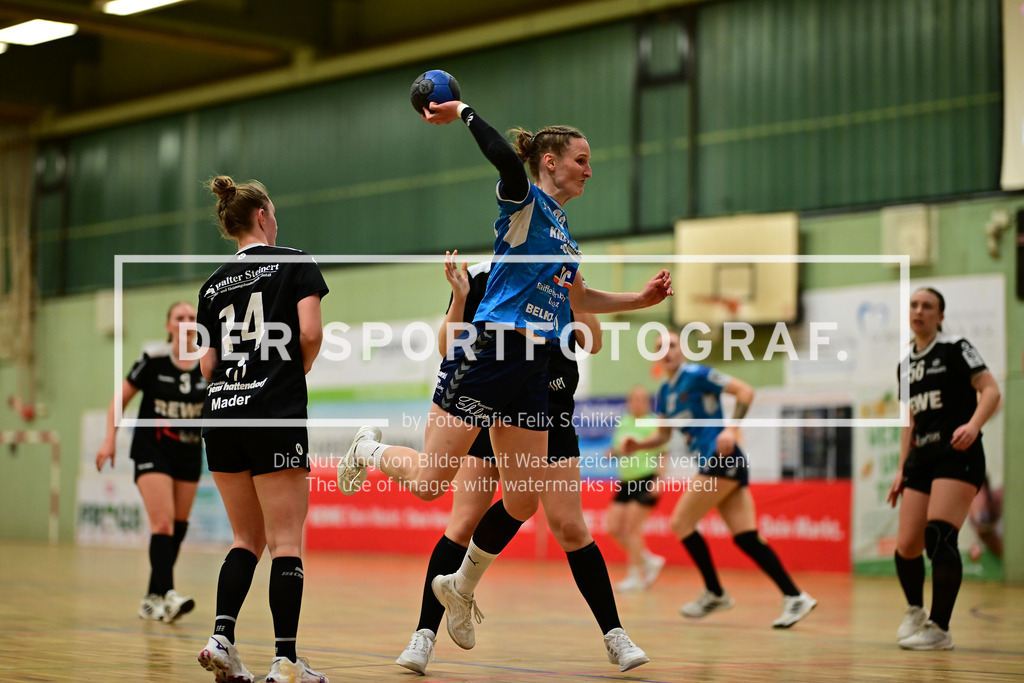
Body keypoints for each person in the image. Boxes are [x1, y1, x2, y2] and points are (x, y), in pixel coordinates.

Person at [338, 98, 672, 664]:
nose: (591, 170)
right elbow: (504, 162)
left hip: (535, 368)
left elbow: (580, 300)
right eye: (582, 160)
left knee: (521, 502)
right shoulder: (523, 203)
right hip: (491, 354)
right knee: (430, 484)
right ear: (550, 161)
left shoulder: (564, 233)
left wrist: (639, 299)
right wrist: (464, 110)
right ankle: (368, 448)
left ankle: (460, 587)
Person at [395, 253, 648, 675]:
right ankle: (423, 635)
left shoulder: (560, 268)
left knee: (569, 525)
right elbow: (447, 347)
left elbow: (593, 341)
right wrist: (458, 298)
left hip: (549, 408)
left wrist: (576, 289)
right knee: (462, 522)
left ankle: (614, 636)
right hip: (492, 404)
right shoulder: (481, 274)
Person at [195, 176, 330, 683]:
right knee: (286, 540)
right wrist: (292, 370)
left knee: (245, 537)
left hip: (224, 414)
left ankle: (222, 639)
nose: (276, 220)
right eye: (272, 212)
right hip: (273, 409)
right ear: (261, 217)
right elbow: (311, 333)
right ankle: (286, 661)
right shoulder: (295, 261)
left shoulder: (212, 284)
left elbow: (207, 366)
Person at [620, 331, 817, 628]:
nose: (667, 351)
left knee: (680, 523)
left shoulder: (697, 374)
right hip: (719, 463)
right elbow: (663, 434)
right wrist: (639, 444)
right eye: (660, 347)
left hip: (722, 458)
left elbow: (745, 392)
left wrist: (731, 429)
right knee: (746, 537)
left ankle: (715, 591)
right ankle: (795, 596)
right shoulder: (665, 392)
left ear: (682, 350)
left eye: (672, 345)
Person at [887, 287, 1000, 650]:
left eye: (928, 306)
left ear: (940, 315)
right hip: (921, 458)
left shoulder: (956, 348)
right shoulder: (905, 365)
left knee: (938, 535)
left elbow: (991, 390)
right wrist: (901, 467)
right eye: (914, 305)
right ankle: (916, 611)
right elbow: (910, 420)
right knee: (906, 546)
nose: (919, 311)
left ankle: (940, 628)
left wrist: (973, 425)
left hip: (956, 453)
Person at [96, 301, 205, 623]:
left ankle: (151, 598)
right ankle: (169, 596)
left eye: (191, 318)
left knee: (178, 528)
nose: (186, 322)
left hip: (189, 451)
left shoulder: (207, 363)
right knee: (162, 524)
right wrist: (109, 439)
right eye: (179, 317)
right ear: (169, 326)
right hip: (152, 450)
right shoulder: (153, 361)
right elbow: (120, 401)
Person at [606, 385, 665, 591]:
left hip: (646, 478)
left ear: (647, 402)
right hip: (626, 481)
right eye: (634, 398)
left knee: (632, 529)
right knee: (613, 527)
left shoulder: (654, 423)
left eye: (641, 398)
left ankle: (636, 576)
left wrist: (658, 480)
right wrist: (612, 452)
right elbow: (619, 449)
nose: (637, 402)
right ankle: (648, 561)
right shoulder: (624, 422)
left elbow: (663, 453)